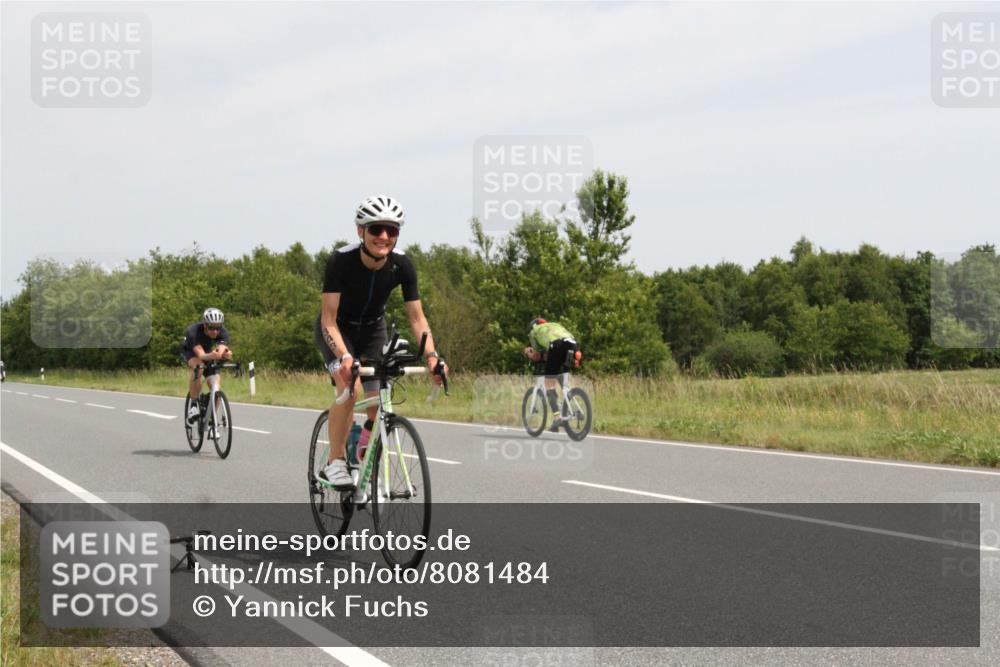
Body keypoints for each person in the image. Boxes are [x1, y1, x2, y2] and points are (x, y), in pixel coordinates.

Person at [314, 195, 447, 489]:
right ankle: (334, 463)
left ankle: (362, 447)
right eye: (376, 229)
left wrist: (433, 357)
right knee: (350, 388)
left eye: (392, 230)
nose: (384, 236)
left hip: (374, 331)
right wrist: (345, 357)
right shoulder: (341, 260)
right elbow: (328, 320)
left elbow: (417, 319)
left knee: (378, 406)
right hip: (339, 330)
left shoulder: (402, 264)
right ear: (361, 231)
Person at [524, 318, 580, 432]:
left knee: (549, 384)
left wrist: (528, 352)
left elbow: (537, 355)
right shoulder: (554, 325)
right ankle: (572, 407)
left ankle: (557, 418)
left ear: (533, 326)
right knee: (561, 379)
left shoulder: (535, 331)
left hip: (557, 345)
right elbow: (548, 353)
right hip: (573, 344)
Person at [180, 308, 233, 424]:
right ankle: (193, 405)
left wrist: (224, 354)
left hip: (208, 352)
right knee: (199, 368)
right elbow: (201, 355)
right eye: (211, 327)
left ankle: (210, 416)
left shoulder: (223, 332)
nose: (215, 331)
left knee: (216, 387)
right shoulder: (193, 331)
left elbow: (222, 348)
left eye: (218, 327)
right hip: (190, 351)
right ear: (205, 325)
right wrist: (215, 355)